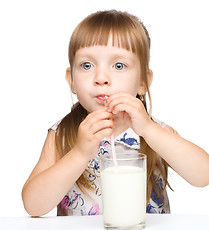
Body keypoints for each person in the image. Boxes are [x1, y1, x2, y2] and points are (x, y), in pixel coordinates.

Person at [22, 10, 209, 217]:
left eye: (119, 65)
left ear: (142, 82)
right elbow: (33, 206)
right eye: (87, 65)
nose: (101, 77)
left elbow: (203, 175)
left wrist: (148, 129)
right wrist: (80, 153)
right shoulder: (63, 134)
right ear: (72, 80)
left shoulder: (154, 130)